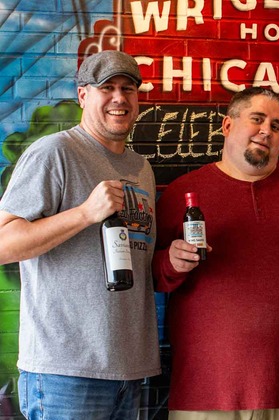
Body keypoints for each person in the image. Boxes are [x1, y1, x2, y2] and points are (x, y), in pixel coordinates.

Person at [152, 87, 279, 419]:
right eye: (257, 119)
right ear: (227, 125)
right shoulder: (182, 193)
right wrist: (171, 262)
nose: (266, 131)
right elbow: (152, 275)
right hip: (206, 391)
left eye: (276, 126)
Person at [0, 50, 160, 418]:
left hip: (128, 368)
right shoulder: (54, 153)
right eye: (107, 88)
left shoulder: (141, 168)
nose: (119, 98)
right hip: (65, 372)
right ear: (83, 95)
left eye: (128, 89)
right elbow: (4, 243)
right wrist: (85, 213)